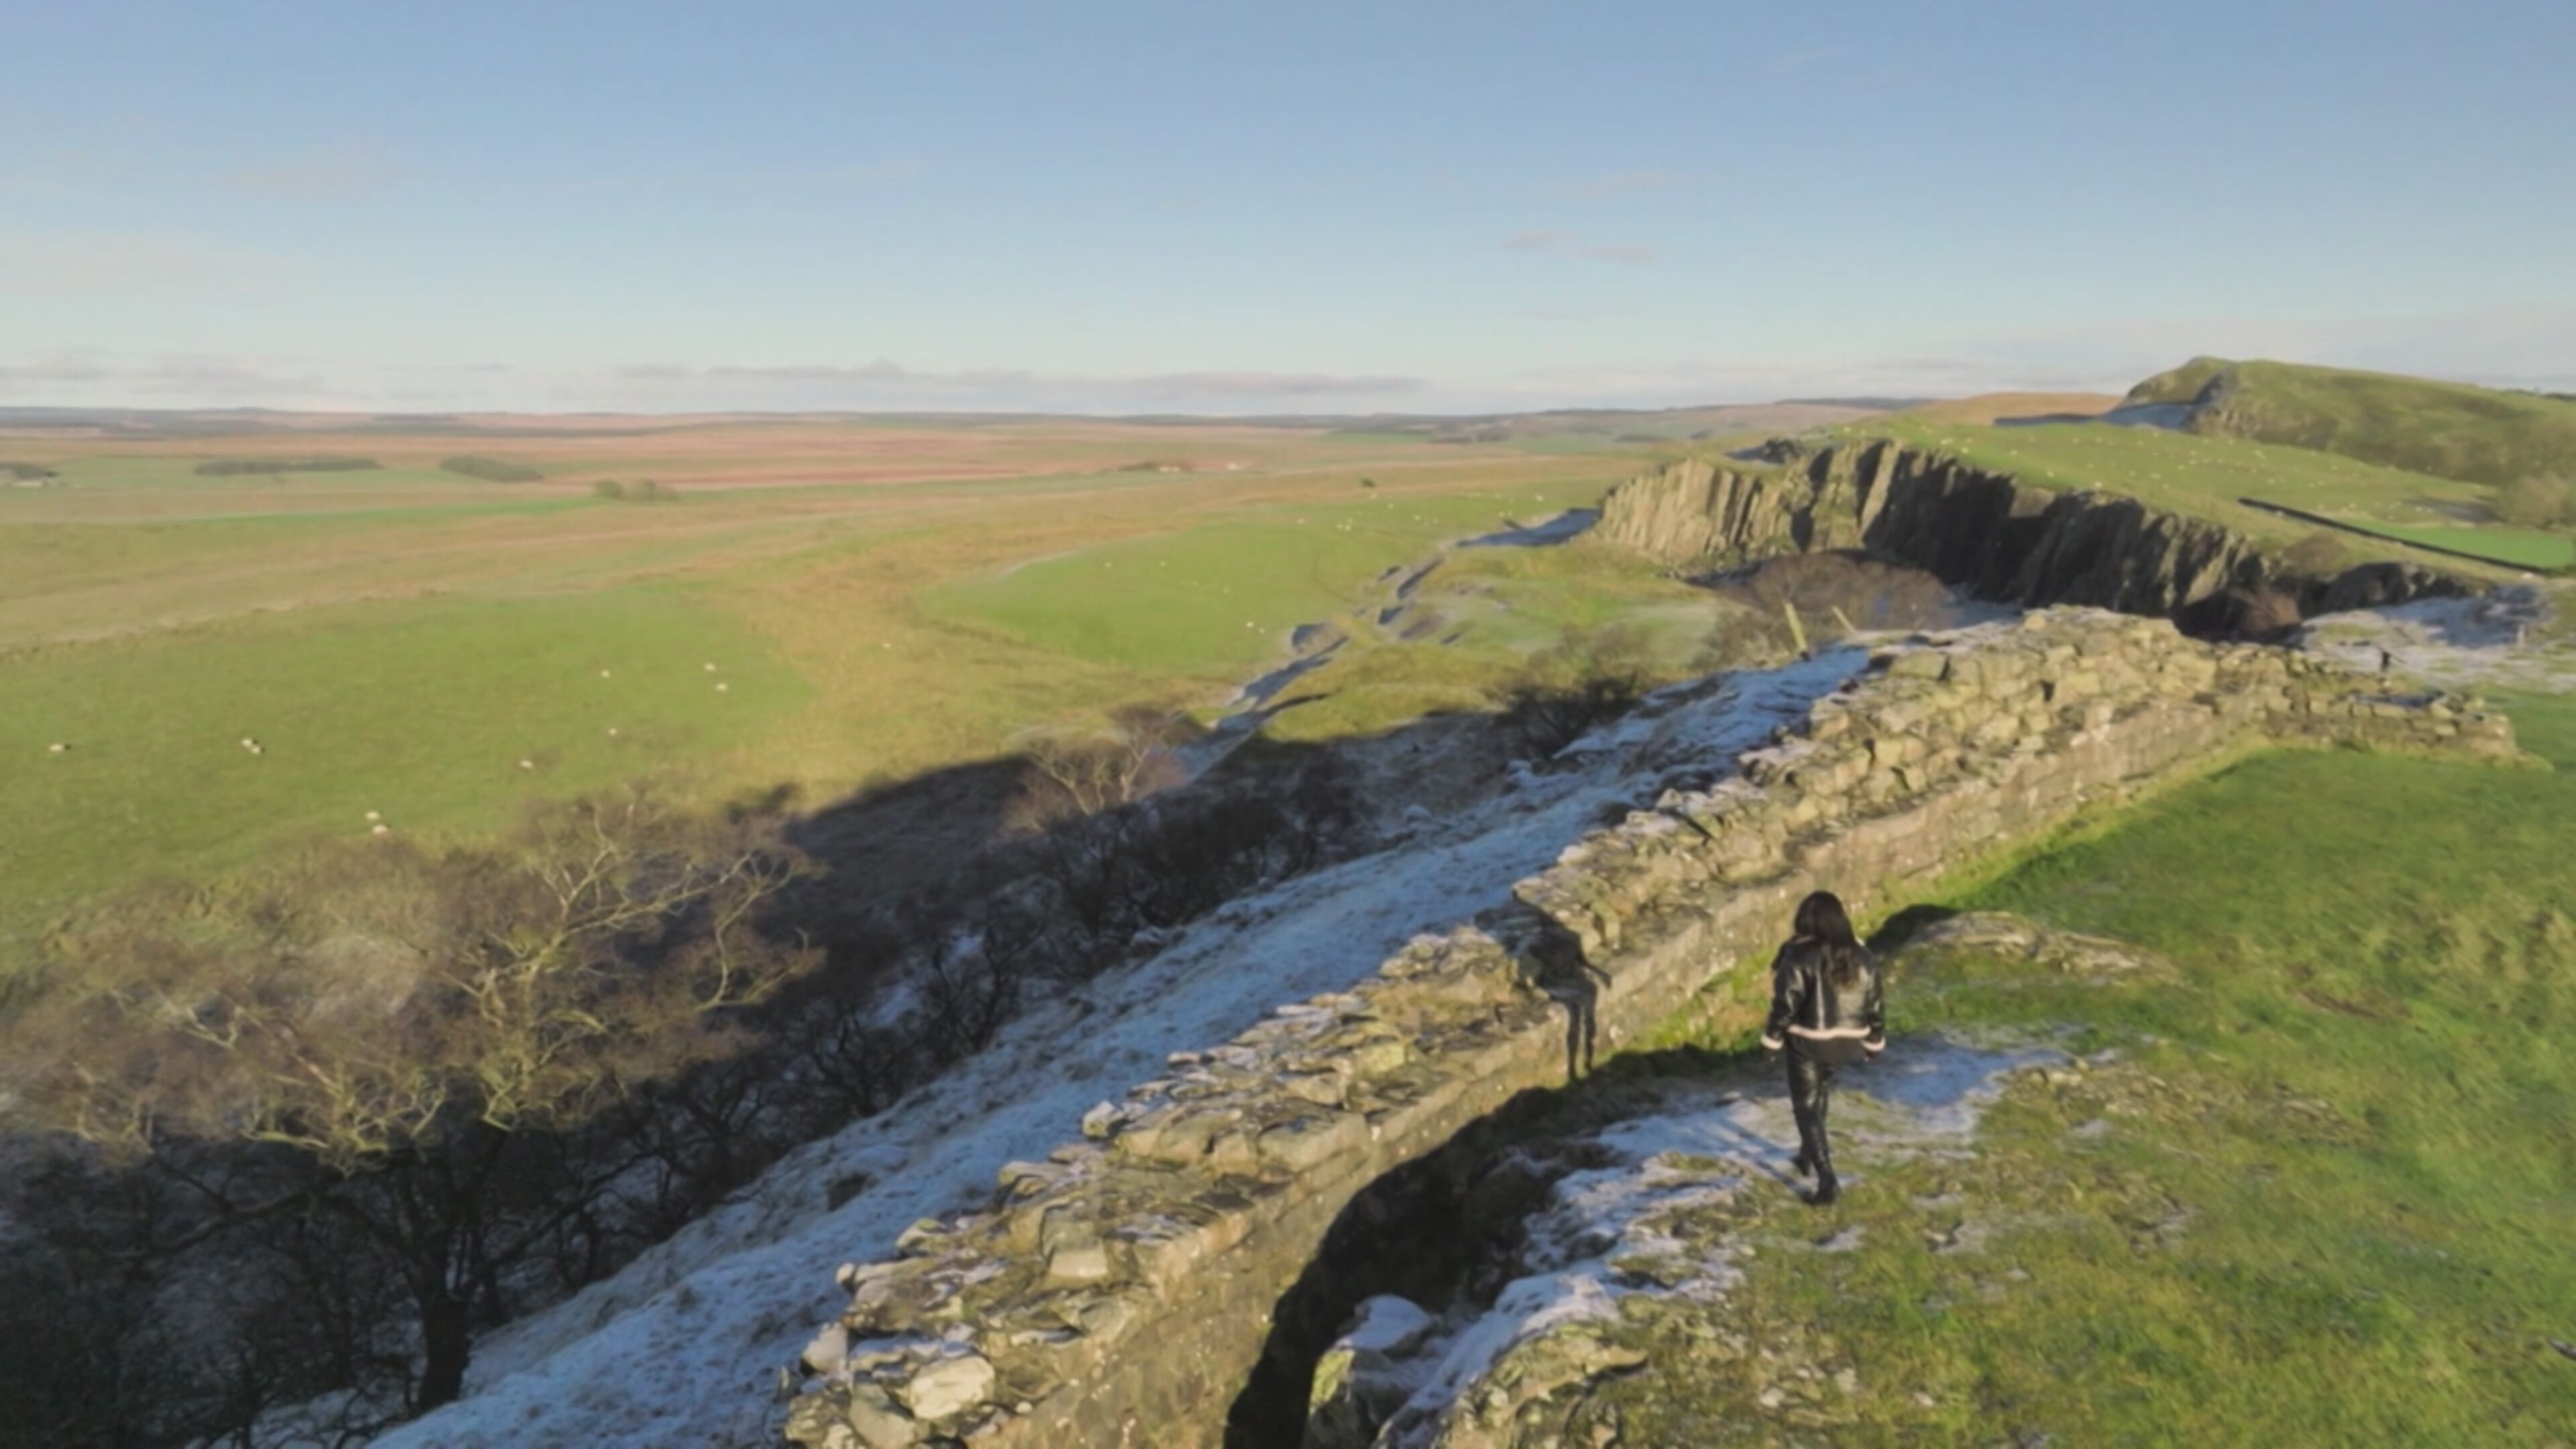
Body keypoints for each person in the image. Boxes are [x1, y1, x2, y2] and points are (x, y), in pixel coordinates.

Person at [1760, 890, 1886, 1206]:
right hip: (1847, 1041)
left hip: (1808, 1039)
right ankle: (1806, 1153)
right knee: (1820, 1091)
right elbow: (1875, 1003)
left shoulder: (1798, 955)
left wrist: (1772, 1039)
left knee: (1805, 1106)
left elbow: (1785, 1003)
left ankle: (1827, 1180)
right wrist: (1874, 1040)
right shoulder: (1863, 955)